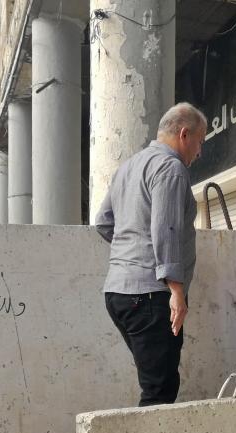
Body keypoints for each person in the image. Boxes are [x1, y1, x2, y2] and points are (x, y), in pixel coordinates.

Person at [96, 103, 207, 407]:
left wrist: (132, 252)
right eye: (200, 141)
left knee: (155, 382)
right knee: (160, 391)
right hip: (150, 296)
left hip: (118, 293)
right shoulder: (170, 167)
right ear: (184, 134)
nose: (199, 152)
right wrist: (176, 290)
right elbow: (166, 228)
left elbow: (104, 222)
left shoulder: (128, 167)